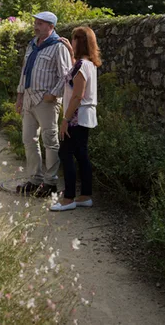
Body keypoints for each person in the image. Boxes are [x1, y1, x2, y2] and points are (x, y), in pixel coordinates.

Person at [15, 11, 72, 197]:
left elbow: (66, 75)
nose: (36, 26)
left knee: (50, 142)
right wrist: (20, 96)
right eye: (35, 22)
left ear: (51, 27)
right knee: (29, 140)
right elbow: (25, 72)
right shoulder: (32, 45)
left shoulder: (58, 47)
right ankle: (34, 180)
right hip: (29, 99)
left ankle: (50, 183)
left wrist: (53, 94)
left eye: (40, 23)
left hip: (47, 102)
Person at [50, 26, 101, 212]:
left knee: (66, 154)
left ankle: (69, 198)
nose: (72, 42)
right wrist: (72, 53)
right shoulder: (87, 64)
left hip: (76, 117)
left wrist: (65, 119)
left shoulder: (81, 66)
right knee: (81, 155)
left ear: (80, 42)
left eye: (74, 40)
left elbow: (77, 95)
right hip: (85, 116)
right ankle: (85, 195)